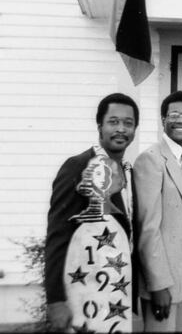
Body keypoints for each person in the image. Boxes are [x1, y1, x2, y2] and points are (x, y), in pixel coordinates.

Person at [45, 93, 139, 331]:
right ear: (100, 126)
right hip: (82, 292)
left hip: (116, 293)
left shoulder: (129, 172)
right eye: (113, 121)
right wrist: (55, 299)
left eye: (128, 123)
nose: (121, 129)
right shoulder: (78, 166)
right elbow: (57, 237)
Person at [133, 91, 182, 332]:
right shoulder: (150, 160)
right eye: (174, 114)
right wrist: (158, 284)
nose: (181, 120)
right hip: (161, 280)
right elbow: (147, 229)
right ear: (163, 120)